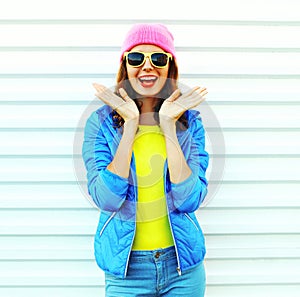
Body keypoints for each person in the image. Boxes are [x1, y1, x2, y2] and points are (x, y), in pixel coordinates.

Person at [82, 23, 209, 297]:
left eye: (159, 58)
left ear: (170, 68)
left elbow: (189, 200)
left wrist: (168, 124)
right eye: (137, 58)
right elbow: (106, 199)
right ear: (125, 66)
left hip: (182, 270)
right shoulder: (101, 124)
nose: (147, 66)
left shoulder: (191, 124)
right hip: (126, 272)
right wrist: (129, 126)